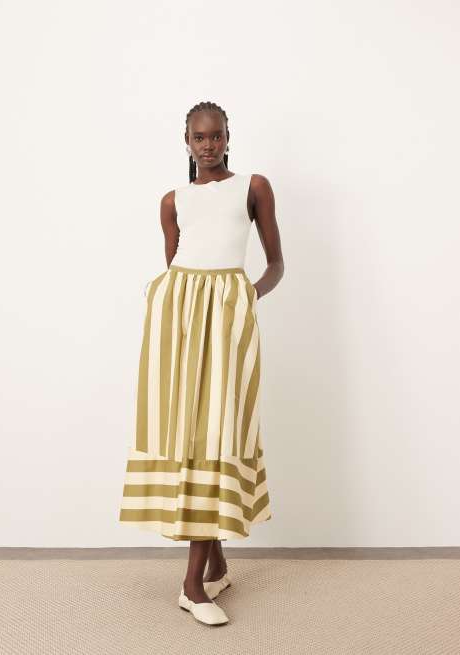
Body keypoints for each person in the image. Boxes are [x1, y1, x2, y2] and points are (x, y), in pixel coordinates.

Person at [118, 101, 284, 624]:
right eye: (199, 137)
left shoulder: (254, 187)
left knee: (218, 432)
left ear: (228, 137)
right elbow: (175, 266)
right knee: (188, 434)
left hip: (228, 319)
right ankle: (206, 572)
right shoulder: (174, 200)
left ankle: (195, 582)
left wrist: (247, 297)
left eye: (216, 136)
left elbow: (276, 264)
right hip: (179, 322)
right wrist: (174, 305)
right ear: (186, 142)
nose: (208, 145)